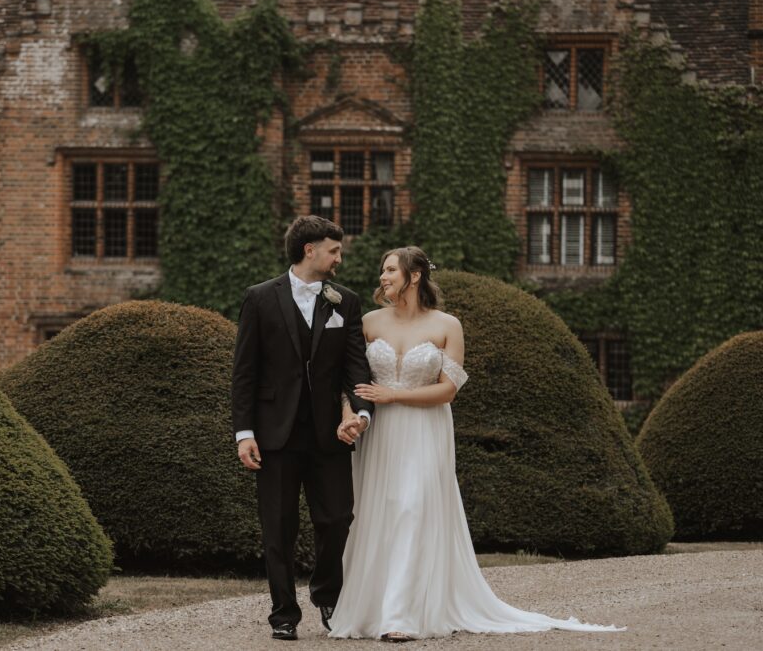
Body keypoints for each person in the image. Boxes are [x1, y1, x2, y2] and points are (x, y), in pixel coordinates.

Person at [327, 246, 623, 642]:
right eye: (383, 270)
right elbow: (352, 382)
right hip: (379, 434)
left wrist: (393, 396)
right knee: (379, 512)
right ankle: (368, 611)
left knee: (413, 508)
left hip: (424, 431)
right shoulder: (368, 322)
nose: (383, 277)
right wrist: (351, 414)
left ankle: (402, 615)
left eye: (391, 270)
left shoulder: (448, 325)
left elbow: (448, 391)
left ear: (414, 276)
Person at [232, 215, 374, 641]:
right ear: (309, 249)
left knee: (337, 519)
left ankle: (328, 594)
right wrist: (244, 433)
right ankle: (283, 615)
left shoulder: (344, 301)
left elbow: (355, 367)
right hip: (275, 434)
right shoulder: (259, 298)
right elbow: (244, 372)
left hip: (329, 434)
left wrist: (361, 414)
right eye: (334, 250)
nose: (339, 259)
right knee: (278, 527)